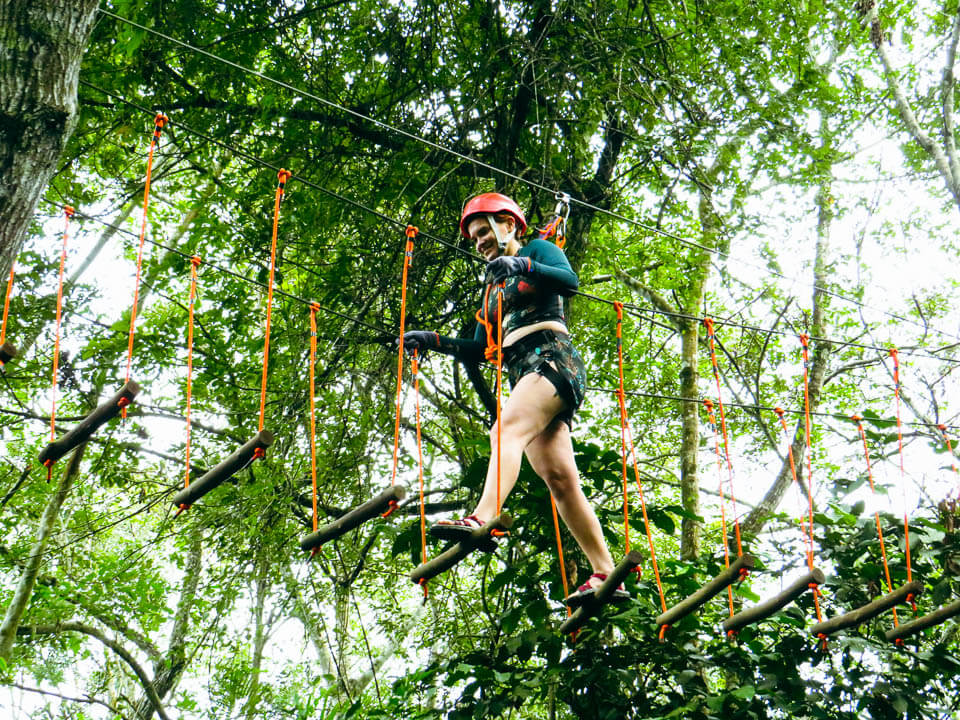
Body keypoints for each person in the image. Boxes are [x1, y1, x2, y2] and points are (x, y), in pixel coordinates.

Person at [401, 192, 627, 606]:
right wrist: (431, 340)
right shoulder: (491, 290)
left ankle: (483, 516)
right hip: (526, 373)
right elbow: (475, 348)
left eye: (485, 231)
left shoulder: (537, 249)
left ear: (509, 225)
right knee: (560, 481)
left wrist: (522, 262)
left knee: (505, 429)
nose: (480, 241)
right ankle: (605, 572)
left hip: (553, 360)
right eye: (474, 237)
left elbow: (568, 280)